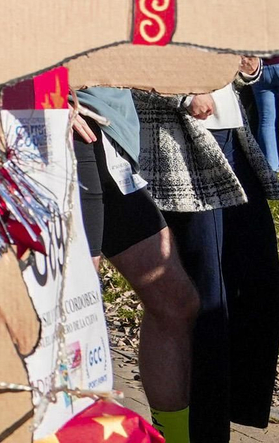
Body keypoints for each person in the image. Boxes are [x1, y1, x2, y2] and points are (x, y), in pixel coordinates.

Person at [136, 70, 279, 443]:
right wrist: (183, 93)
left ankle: (231, 411)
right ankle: (199, 430)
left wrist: (246, 68)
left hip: (232, 137)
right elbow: (127, 60)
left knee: (258, 282)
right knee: (204, 298)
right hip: (175, 142)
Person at [72, 86, 200, 443]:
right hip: (67, 131)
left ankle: (173, 437)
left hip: (109, 137)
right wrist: (43, 94)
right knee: (75, 311)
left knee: (175, 301)